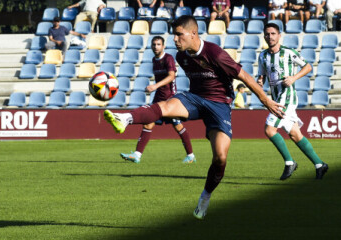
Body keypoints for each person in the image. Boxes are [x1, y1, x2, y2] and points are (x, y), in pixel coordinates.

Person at [103, 16, 282, 220]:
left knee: (220, 157)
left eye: (179, 35)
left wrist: (266, 100)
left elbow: (245, 76)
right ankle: (125, 118)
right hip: (195, 98)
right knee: (165, 106)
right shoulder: (181, 56)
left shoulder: (215, 53)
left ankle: (205, 196)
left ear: (193, 33)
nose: (175, 39)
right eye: (174, 35)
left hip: (219, 105)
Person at [257, 22, 328, 181]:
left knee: (269, 130)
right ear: (264, 36)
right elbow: (261, 75)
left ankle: (289, 162)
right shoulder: (262, 55)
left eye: (273, 34)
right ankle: (319, 164)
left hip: (287, 97)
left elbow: (308, 66)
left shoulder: (288, 52)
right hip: (276, 98)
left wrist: (293, 78)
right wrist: (260, 81)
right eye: (267, 34)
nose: (270, 37)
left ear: (279, 35)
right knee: (295, 134)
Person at [120, 36, 196, 164]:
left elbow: (172, 76)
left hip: (170, 99)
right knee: (148, 123)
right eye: (154, 44)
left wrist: (155, 86)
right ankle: (137, 155)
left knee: (178, 126)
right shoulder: (154, 60)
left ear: (163, 46)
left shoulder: (168, 58)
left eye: (159, 44)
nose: (156, 46)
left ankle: (191, 155)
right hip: (159, 98)